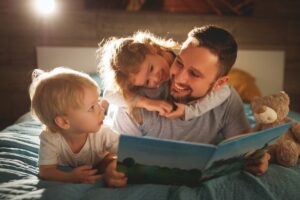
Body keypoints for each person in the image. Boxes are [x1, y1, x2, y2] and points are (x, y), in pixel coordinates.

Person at [103, 26, 270, 187]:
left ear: (219, 83)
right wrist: (110, 166)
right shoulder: (136, 93)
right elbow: (114, 153)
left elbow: (243, 149)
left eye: (194, 74)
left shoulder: (227, 101)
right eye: (179, 63)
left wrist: (257, 158)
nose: (178, 78)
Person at [98, 31, 231, 122]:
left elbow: (225, 90)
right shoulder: (141, 85)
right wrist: (146, 103)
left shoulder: (184, 57)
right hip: (117, 119)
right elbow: (109, 93)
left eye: (151, 69)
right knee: (117, 104)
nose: (155, 79)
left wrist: (189, 111)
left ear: (152, 49)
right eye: (147, 82)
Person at [29, 67, 126, 186]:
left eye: (98, 102)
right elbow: (46, 171)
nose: (101, 109)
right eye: (92, 107)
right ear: (64, 122)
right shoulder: (50, 138)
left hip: (102, 160)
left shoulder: (103, 131)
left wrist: (112, 167)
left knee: (111, 161)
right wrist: (69, 177)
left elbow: (127, 153)